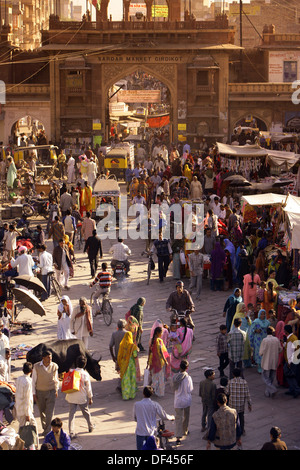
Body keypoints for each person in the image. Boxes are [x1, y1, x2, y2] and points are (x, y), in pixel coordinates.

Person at [133, 385, 175, 451]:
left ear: (143, 393)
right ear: (152, 394)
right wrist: (172, 417)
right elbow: (164, 415)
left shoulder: (137, 404)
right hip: (151, 432)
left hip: (140, 432)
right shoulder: (155, 404)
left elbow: (135, 418)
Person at [65, 355, 94, 439]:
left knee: (71, 414)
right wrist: (90, 397)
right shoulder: (85, 374)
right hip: (81, 397)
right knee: (86, 412)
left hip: (71, 396)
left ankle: (71, 432)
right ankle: (90, 426)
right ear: (85, 364)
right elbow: (88, 388)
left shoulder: (71, 372)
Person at [32, 350, 59, 436]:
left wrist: (56, 389)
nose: (50, 359)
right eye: (48, 357)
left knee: (50, 412)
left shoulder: (54, 366)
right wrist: (33, 393)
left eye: (50, 357)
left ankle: (47, 431)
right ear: (43, 358)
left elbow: (56, 379)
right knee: (42, 412)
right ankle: (45, 428)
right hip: (40, 392)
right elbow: (33, 381)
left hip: (51, 391)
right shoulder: (36, 367)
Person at [15, 362, 39, 448]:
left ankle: (21, 446)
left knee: (21, 429)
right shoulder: (28, 381)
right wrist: (28, 414)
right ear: (31, 371)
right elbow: (27, 399)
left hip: (19, 408)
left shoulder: (18, 379)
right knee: (33, 427)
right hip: (25, 411)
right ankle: (34, 446)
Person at [172, 359, 193, 445]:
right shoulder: (188, 378)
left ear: (179, 367)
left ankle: (178, 437)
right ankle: (185, 430)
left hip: (178, 401)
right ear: (187, 368)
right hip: (186, 400)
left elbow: (174, 387)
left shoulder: (175, 377)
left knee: (178, 419)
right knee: (186, 416)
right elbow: (190, 389)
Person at [259, 326, 282, 397]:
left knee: (265, 377)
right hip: (274, 361)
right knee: (271, 377)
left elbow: (261, 353)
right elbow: (280, 349)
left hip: (266, 361)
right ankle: (268, 392)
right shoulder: (276, 339)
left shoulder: (265, 340)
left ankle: (272, 389)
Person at [227, 368, 252, 435]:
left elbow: (227, 392)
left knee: (233, 418)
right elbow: (247, 394)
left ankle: (233, 430)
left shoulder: (230, 382)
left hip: (232, 404)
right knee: (241, 417)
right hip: (241, 404)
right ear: (240, 374)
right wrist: (249, 404)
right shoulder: (244, 382)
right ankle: (242, 430)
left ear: (233, 374)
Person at [147, 326, 170, 397]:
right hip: (159, 361)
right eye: (161, 332)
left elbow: (149, 351)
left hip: (152, 360)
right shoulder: (159, 341)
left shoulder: (152, 340)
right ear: (158, 333)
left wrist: (148, 360)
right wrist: (165, 360)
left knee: (154, 376)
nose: (162, 334)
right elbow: (161, 352)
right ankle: (159, 392)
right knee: (160, 376)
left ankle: (154, 389)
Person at [117, 331, 140, 400]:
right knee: (132, 379)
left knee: (125, 379)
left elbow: (119, 355)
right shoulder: (133, 346)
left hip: (124, 364)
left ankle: (125, 396)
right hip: (131, 365)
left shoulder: (122, 345)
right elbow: (135, 356)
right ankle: (132, 395)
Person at [230, 302, 252, 368]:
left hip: (246, 335)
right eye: (243, 308)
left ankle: (247, 364)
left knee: (247, 349)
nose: (244, 309)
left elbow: (250, 324)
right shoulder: (237, 316)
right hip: (239, 336)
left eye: (245, 307)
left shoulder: (245, 315)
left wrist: (248, 319)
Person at [249, 309, 270, 373]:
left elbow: (269, 330)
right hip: (257, 340)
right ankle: (259, 366)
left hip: (265, 338)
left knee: (265, 351)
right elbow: (251, 330)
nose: (263, 315)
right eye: (261, 314)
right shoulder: (256, 322)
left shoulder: (267, 322)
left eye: (264, 314)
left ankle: (264, 365)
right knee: (259, 352)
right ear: (259, 314)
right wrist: (255, 331)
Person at [283, 324, 300, 398]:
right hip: (293, 360)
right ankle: (292, 389)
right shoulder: (293, 338)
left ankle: (296, 390)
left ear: (285, 331)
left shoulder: (291, 339)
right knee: (290, 375)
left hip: (291, 361)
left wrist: (290, 362)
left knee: (291, 375)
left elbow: (292, 351)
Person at [109, 319, 126, 390]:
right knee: (125, 370)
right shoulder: (127, 333)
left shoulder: (114, 334)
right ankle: (123, 383)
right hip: (126, 356)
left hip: (118, 355)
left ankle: (121, 383)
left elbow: (110, 346)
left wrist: (113, 356)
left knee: (120, 370)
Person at [199, 368, 216, 432]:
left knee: (204, 413)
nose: (214, 376)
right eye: (213, 375)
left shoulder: (202, 382)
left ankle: (203, 426)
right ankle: (209, 427)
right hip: (210, 400)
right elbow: (213, 395)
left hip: (204, 400)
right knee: (210, 414)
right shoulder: (213, 384)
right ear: (209, 376)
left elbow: (200, 392)